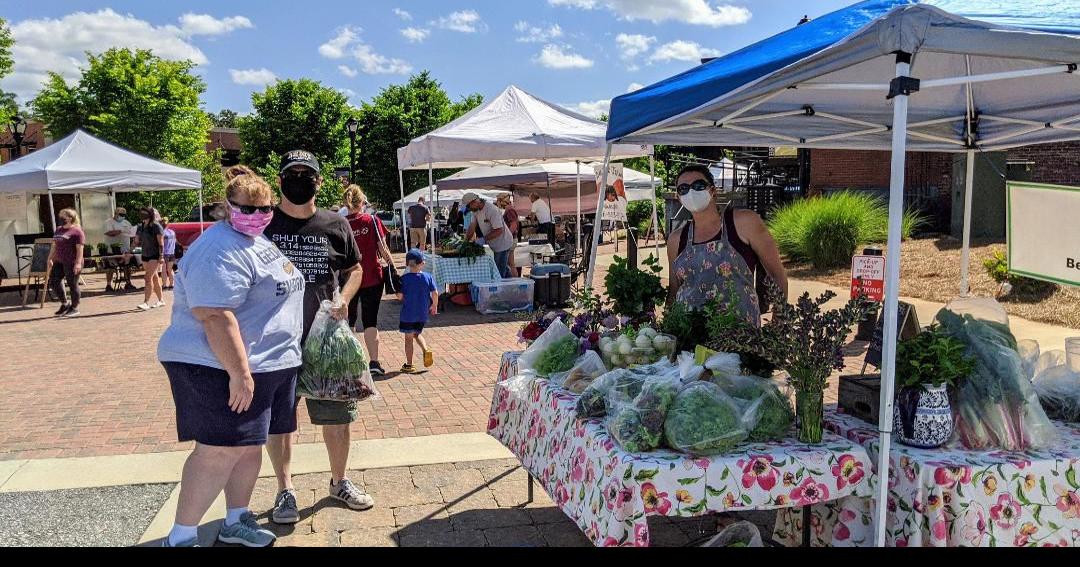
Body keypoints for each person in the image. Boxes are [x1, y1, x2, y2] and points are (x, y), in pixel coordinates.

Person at [156, 172, 305, 548]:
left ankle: (236, 519)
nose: (257, 214)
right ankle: (182, 536)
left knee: (248, 446)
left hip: (266, 365)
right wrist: (239, 373)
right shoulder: (218, 247)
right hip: (218, 367)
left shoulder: (254, 240)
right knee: (219, 450)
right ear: (228, 207)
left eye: (265, 208)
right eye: (247, 208)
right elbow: (215, 315)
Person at [263, 150, 375, 525]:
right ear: (280, 181)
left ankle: (339, 481)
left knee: (338, 417)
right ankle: (285, 489)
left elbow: (356, 268)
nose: (299, 179)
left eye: (306, 173)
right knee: (280, 421)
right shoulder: (263, 225)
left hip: (326, 343)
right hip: (276, 343)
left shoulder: (335, 224)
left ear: (319, 182)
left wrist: (344, 297)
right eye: (292, 173)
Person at [666, 165, 788, 327]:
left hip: (739, 337)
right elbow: (674, 290)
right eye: (683, 189)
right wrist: (666, 331)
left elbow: (776, 274)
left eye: (698, 186)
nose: (691, 192)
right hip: (689, 336)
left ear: (712, 190)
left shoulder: (744, 223)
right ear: (679, 197)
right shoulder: (676, 239)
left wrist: (778, 325)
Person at [342, 184, 393, 373]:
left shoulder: (342, 224)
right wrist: (394, 268)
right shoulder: (371, 220)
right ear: (363, 201)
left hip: (349, 280)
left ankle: (353, 362)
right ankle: (374, 363)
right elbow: (383, 248)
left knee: (350, 320)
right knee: (371, 320)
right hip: (372, 276)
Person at [396, 249, 438, 374]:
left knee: (408, 338)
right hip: (422, 314)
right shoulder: (428, 277)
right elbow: (435, 293)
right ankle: (425, 349)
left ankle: (409, 365)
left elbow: (399, 296)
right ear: (422, 263)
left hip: (408, 314)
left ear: (408, 264)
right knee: (416, 333)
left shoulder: (404, 279)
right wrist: (434, 306)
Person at [463, 192, 514, 279]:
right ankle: (514, 285)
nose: (469, 209)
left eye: (469, 206)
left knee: (499, 271)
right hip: (495, 244)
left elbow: (499, 230)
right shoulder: (475, 211)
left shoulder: (491, 210)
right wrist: (465, 241)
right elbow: (472, 226)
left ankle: (503, 290)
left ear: (475, 202)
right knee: (503, 267)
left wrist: (483, 239)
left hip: (503, 243)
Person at [48, 208, 85, 317]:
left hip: (72, 261)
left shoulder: (77, 231)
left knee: (72, 284)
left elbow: (80, 249)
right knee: (54, 281)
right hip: (59, 261)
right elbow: (54, 246)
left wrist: (78, 263)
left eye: (63, 216)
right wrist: (50, 258)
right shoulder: (58, 229)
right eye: (60, 215)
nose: (60, 218)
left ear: (70, 218)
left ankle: (74, 308)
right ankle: (64, 303)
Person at [136, 207, 166, 311]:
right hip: (145, 254)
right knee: (154, 278)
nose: (142, 214)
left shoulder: (156, 226)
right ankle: (161, 300)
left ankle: (146, 302)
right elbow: (136, 241)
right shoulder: (140, 227)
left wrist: (161, 256)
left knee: (147, 277)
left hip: (155, 255)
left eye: (144, 213)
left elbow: (161, 243)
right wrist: (129, 250)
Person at [103, 207, 136, 292]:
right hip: (111, 249)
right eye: (121, 214)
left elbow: (132, 233)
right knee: (110, 267)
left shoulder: (127, 223)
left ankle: (128, 283)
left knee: (127, 266)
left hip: (125, 249)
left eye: (124, 215)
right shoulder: (108, 222)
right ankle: (108, 285)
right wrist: (120, 231)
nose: (122, 216)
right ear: (116, 213)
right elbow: (109, 233)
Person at [495, 194, 520, 277]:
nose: (497, 203)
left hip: (510, 239)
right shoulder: (509, 209)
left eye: (498, 200)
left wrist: (506, 236)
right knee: (510, 264)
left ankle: (515, 283)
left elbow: (513, 225)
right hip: (511, 238)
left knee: (510, 264)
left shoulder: (509, 210)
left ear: (502, 201)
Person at [161, 217, 177, 290]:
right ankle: (172, 284)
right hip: (172, 253)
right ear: (168, 224)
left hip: (164, 253)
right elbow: (175, 241)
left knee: (164, 270)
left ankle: (164, 285)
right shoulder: (172, 232)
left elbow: (161, 244)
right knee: (170, 270)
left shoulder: (162, 232)